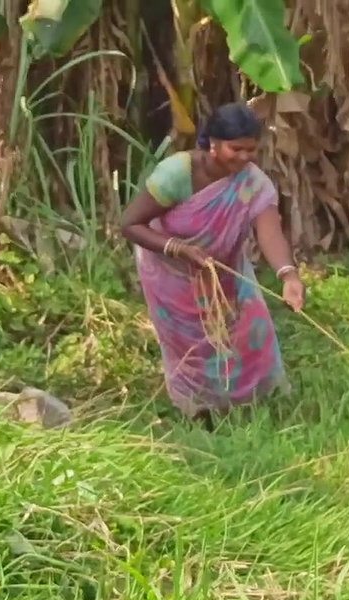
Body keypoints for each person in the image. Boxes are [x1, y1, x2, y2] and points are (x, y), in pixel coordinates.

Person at [120, 102, 305, 426]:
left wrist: (288, 275)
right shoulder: (176, 174)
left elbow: (270, 232)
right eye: (237, 149)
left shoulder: (252, 182)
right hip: (170, 273)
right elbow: (130, 224)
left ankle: (255, 405)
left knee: (250, 331)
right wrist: (177, 248)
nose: (245, 158)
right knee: (190, 347)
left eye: (252, 150)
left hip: (225, 270)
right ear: (213, 142)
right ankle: (197, 413)